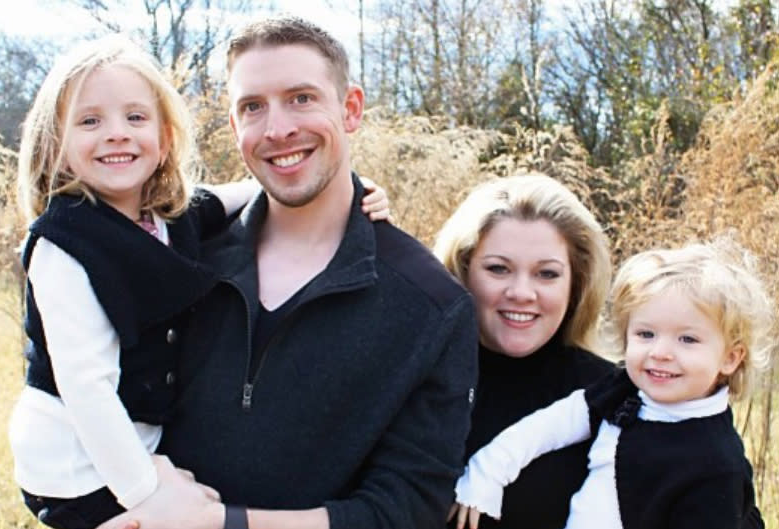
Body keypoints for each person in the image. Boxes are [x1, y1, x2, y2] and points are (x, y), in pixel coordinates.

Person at [100, 15, 479, 529]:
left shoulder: (431, 305)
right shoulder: (179, 253)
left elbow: (406, 507)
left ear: (350, 109)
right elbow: (85, 397)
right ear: (235, 127)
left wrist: (223, 524)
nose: (278, 129)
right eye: (253, 107)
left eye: (302, 98)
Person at [8, 35, 390, 529]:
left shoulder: (169, 219)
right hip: (75, 466)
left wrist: (351, 188)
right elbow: (88, 391)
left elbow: (252, 189)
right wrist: (149, 498)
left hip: (135, 449)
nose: (117, 133)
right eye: (89, 121)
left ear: (165, 138)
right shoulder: (64, 246)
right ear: (55, 146)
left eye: (136, 117)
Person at [453, 240, 771, 529]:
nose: (659, 353)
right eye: (645, 334)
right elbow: (548, 426)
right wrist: (486, 474)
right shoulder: (623, 390)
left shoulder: (716, 463)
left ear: (730, 357)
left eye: (687, 339)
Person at [434, 173, 615, 529]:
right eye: (498, 269)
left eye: (546, 274)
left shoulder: (613, 395)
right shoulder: (419, 379)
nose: (521, 292)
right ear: (463, 271)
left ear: (575, 283)